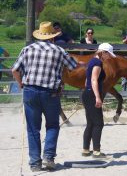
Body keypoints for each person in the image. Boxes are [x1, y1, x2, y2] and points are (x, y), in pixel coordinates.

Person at [12, 21, 84, 172]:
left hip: (30, 91)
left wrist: (21, 84)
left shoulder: (27, 49)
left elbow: (15, 70)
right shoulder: (59, 51)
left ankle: (35, 163)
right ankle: (49, 157)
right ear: (52, 37)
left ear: (39, 35)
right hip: (51, 92)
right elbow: (74, 67)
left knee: (33, 129)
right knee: (52, 125)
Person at [81, 43, 116, 158]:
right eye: (109, 54)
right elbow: (94, 80)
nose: (110, 57)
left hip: (87, 93)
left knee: (90, 123)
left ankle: (86, 149)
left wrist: (87, 91)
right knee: (98, 123)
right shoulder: (97, 63)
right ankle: (96, 151)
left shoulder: (92, 61)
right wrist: (97, 97)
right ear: (103, 53)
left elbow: (87, 80)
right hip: (92, 94)